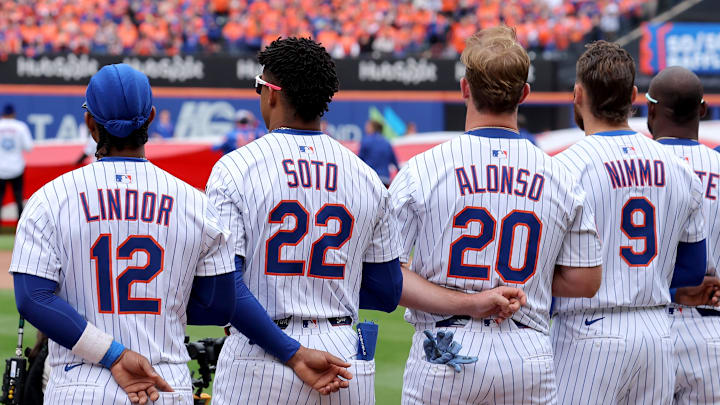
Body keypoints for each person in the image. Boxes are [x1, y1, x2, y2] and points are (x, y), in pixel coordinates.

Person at [207, 37, 526, 405]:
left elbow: (225, 290)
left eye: (260, 85)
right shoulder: (365, 177)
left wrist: (293, 349)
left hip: (261, 354)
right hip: (343, 357)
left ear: (273, 94)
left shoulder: (235, 169)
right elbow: (386, 291)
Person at [10, 64, 348, 405]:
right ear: (151, 118)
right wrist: (161, 306)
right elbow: (218, 308)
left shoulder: (48, 200)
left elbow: (33, 299)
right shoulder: (195, 204)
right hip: (166, 383)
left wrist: (113, 353)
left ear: (90, 124)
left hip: (80, 384)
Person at [390, 26, 604, 405]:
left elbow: (386, 275)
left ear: (464, 88)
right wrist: (525, 283)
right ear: (524, 93)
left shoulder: (421, 168)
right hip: (526, 348)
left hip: (445, 348)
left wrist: (471, 299)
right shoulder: (561, 176)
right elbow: (586, 281)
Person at [552, 42, 707, 404]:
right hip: (656, 331)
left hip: (587, 329)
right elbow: (692, 269)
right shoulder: (680, 169)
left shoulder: (565, 168)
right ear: (634, 95)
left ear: (578, 94)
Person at [647, 66, 720, 405]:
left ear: (650, 108)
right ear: (703, 109)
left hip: (643, 324)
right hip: (710, 329)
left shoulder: (637, 167)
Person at [0, 104, 33, 218]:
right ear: (13, 114)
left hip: (1, 168)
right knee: (19, 199)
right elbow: (28, 147)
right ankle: (20, 227)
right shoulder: (20, 127)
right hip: (16, 167)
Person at [358, 120, 398, 186]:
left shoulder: (366, 141)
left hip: (370, 179)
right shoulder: (386, 143)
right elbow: (395, 162)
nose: (365, 128)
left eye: (368, 126)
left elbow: (359, 161)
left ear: (373, 128)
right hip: (385, 180)